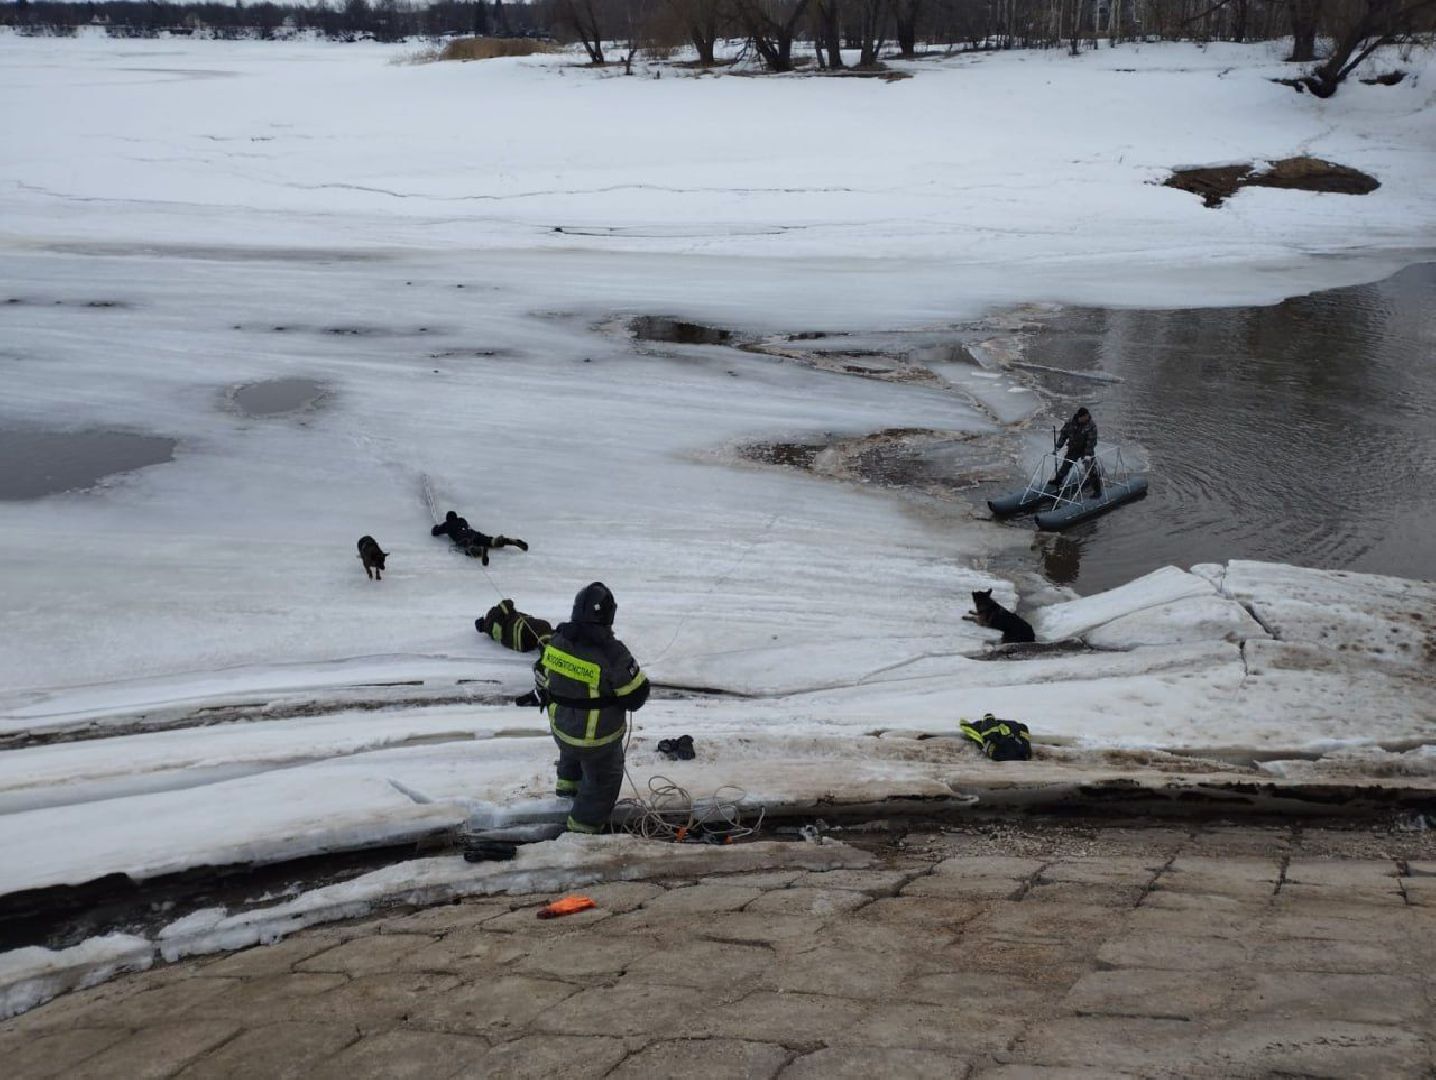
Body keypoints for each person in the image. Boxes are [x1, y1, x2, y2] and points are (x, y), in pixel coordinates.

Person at [521, 582, 649, 834]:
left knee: (573, 752)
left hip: (562, 731)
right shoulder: (613, 654)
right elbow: (635, 697)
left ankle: (567, 793)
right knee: (603, 782)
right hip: (597, 741)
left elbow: (541, 674)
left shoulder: (557, 641)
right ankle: (581, 833)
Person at [430, 510, 528, 565]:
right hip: (474, 534)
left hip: (463, 538)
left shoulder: (448, 524)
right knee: (490, 541)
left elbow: (435, 532)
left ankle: (480, 550)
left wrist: (435, 528)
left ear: (448, 519)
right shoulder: (462, 520)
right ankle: (507, 541)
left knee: (469, 549)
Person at [1052, 407, 1101, 495]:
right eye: (1084, 416)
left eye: (1087, 416)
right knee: (1065, 466)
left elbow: (1091, 441)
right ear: (1081, 417)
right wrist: (1058, 446)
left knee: (1090, 470)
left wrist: (1087, 455)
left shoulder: (1091, 426)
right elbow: (1064, 434)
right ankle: (1057, 481)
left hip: (1085, 450)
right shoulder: (1071, 423)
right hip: (1073, 448)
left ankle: (1097, 491)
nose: (1087, 417)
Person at [476, 598, 553, 653]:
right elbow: (508, 603)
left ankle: (551, 645)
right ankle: (547, 652)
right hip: (519, 628)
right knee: (544, 625)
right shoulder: (491, 615)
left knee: (543, 634)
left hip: (521, 645)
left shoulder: (490, 632)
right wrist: (509, 611)